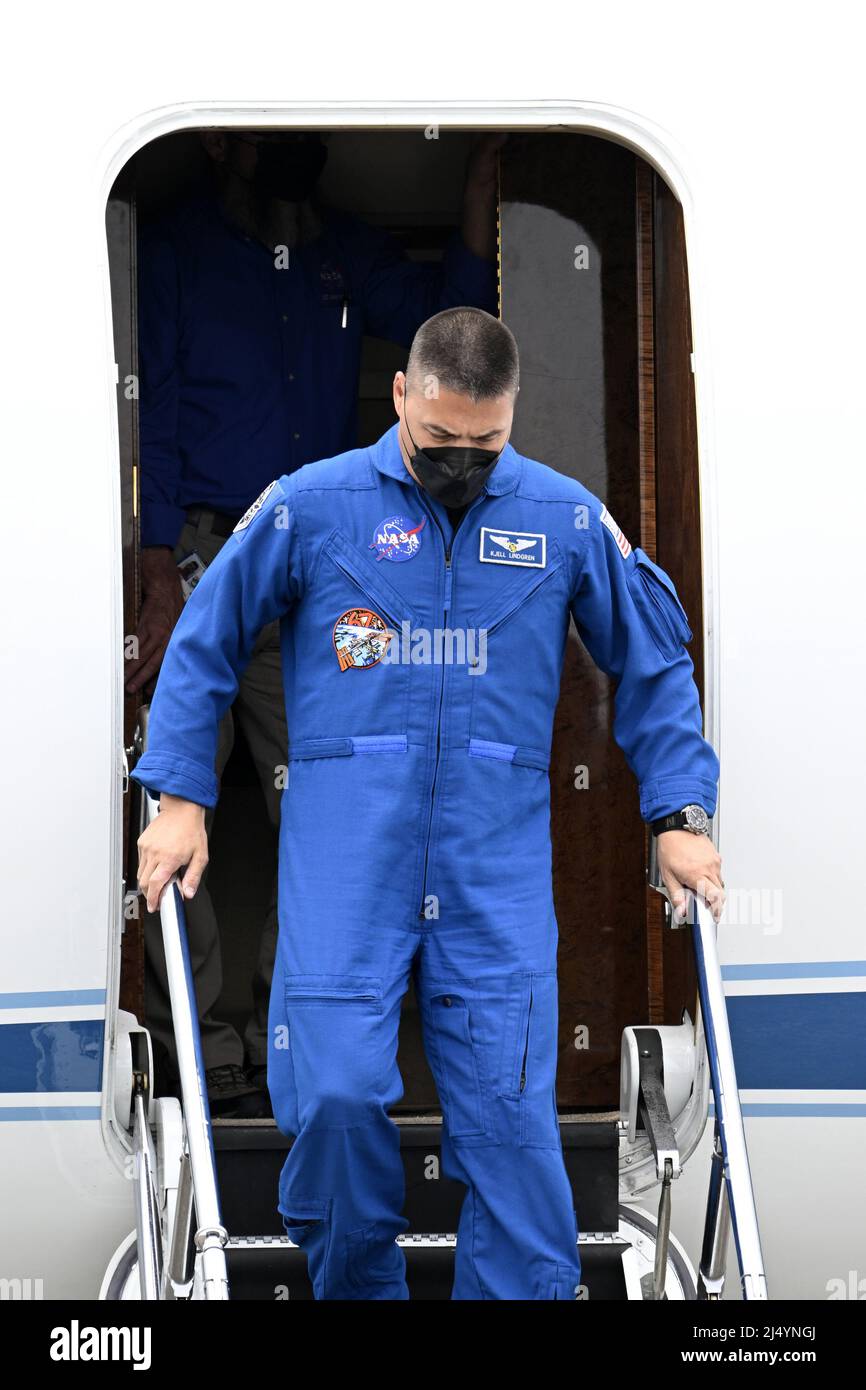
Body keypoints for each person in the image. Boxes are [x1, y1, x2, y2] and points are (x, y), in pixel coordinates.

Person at [131, 307, 724, 1300]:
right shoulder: (306, 507)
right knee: (328, 1096)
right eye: (439, 438)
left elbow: (655, 663)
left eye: (483, 443)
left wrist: (679, 818)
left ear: (512, 415)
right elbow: (204, 642)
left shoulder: (563, 518)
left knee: (506, 1121)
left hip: (490, 865)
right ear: (400, 395)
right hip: (345, 856)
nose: (460, 460)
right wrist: (181, 793)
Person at [126, 131, 500, 1116]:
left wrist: (478, 182)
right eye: (266, 134)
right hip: (200, 566)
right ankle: (201, 1062)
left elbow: (448, 330)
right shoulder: (172, 249)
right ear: (218, 145)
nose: (297, 148)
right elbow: (147, 412)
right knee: (175, 802)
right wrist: (156, 565)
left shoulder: (343, 245)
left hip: (325, 569)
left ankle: (289, 1037)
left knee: (333, 806)